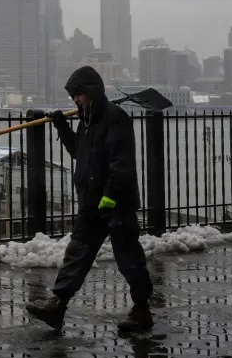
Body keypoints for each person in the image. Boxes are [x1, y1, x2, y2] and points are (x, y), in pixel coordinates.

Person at [25, 65, 154, 332]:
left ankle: (142, 310)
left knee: (128, 258)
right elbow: (79, 154)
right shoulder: (87, 120)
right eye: (73, 96)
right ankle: (57, 305)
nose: (76, 100)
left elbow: (122, 164)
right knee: (78, 253)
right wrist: (62, 126)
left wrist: (110, 198)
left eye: (79, 94)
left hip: (115, 203)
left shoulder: (115, 118)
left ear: (92, 91)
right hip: (89, 201)